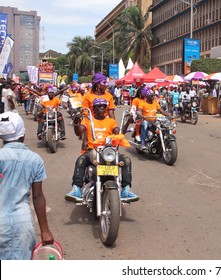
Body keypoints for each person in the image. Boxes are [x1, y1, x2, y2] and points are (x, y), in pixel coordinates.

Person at [0, 112, 54, 259]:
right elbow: (37, 197)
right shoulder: (34, 160)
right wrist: (45, 230)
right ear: (22, 133)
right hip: (21, 225)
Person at [65, 98, 139, 203]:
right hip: (93, 150)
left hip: (108, 151)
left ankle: (126, 190)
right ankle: (76, 189)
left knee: (126, 160)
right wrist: (76, 123)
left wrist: (127, 122)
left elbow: (118, 134)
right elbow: (78, 132)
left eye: (104, 106)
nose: (102, 108)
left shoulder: (111, 121)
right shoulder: (87, 120)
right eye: (99, 106)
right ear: (94, 108)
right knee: (81, 160)